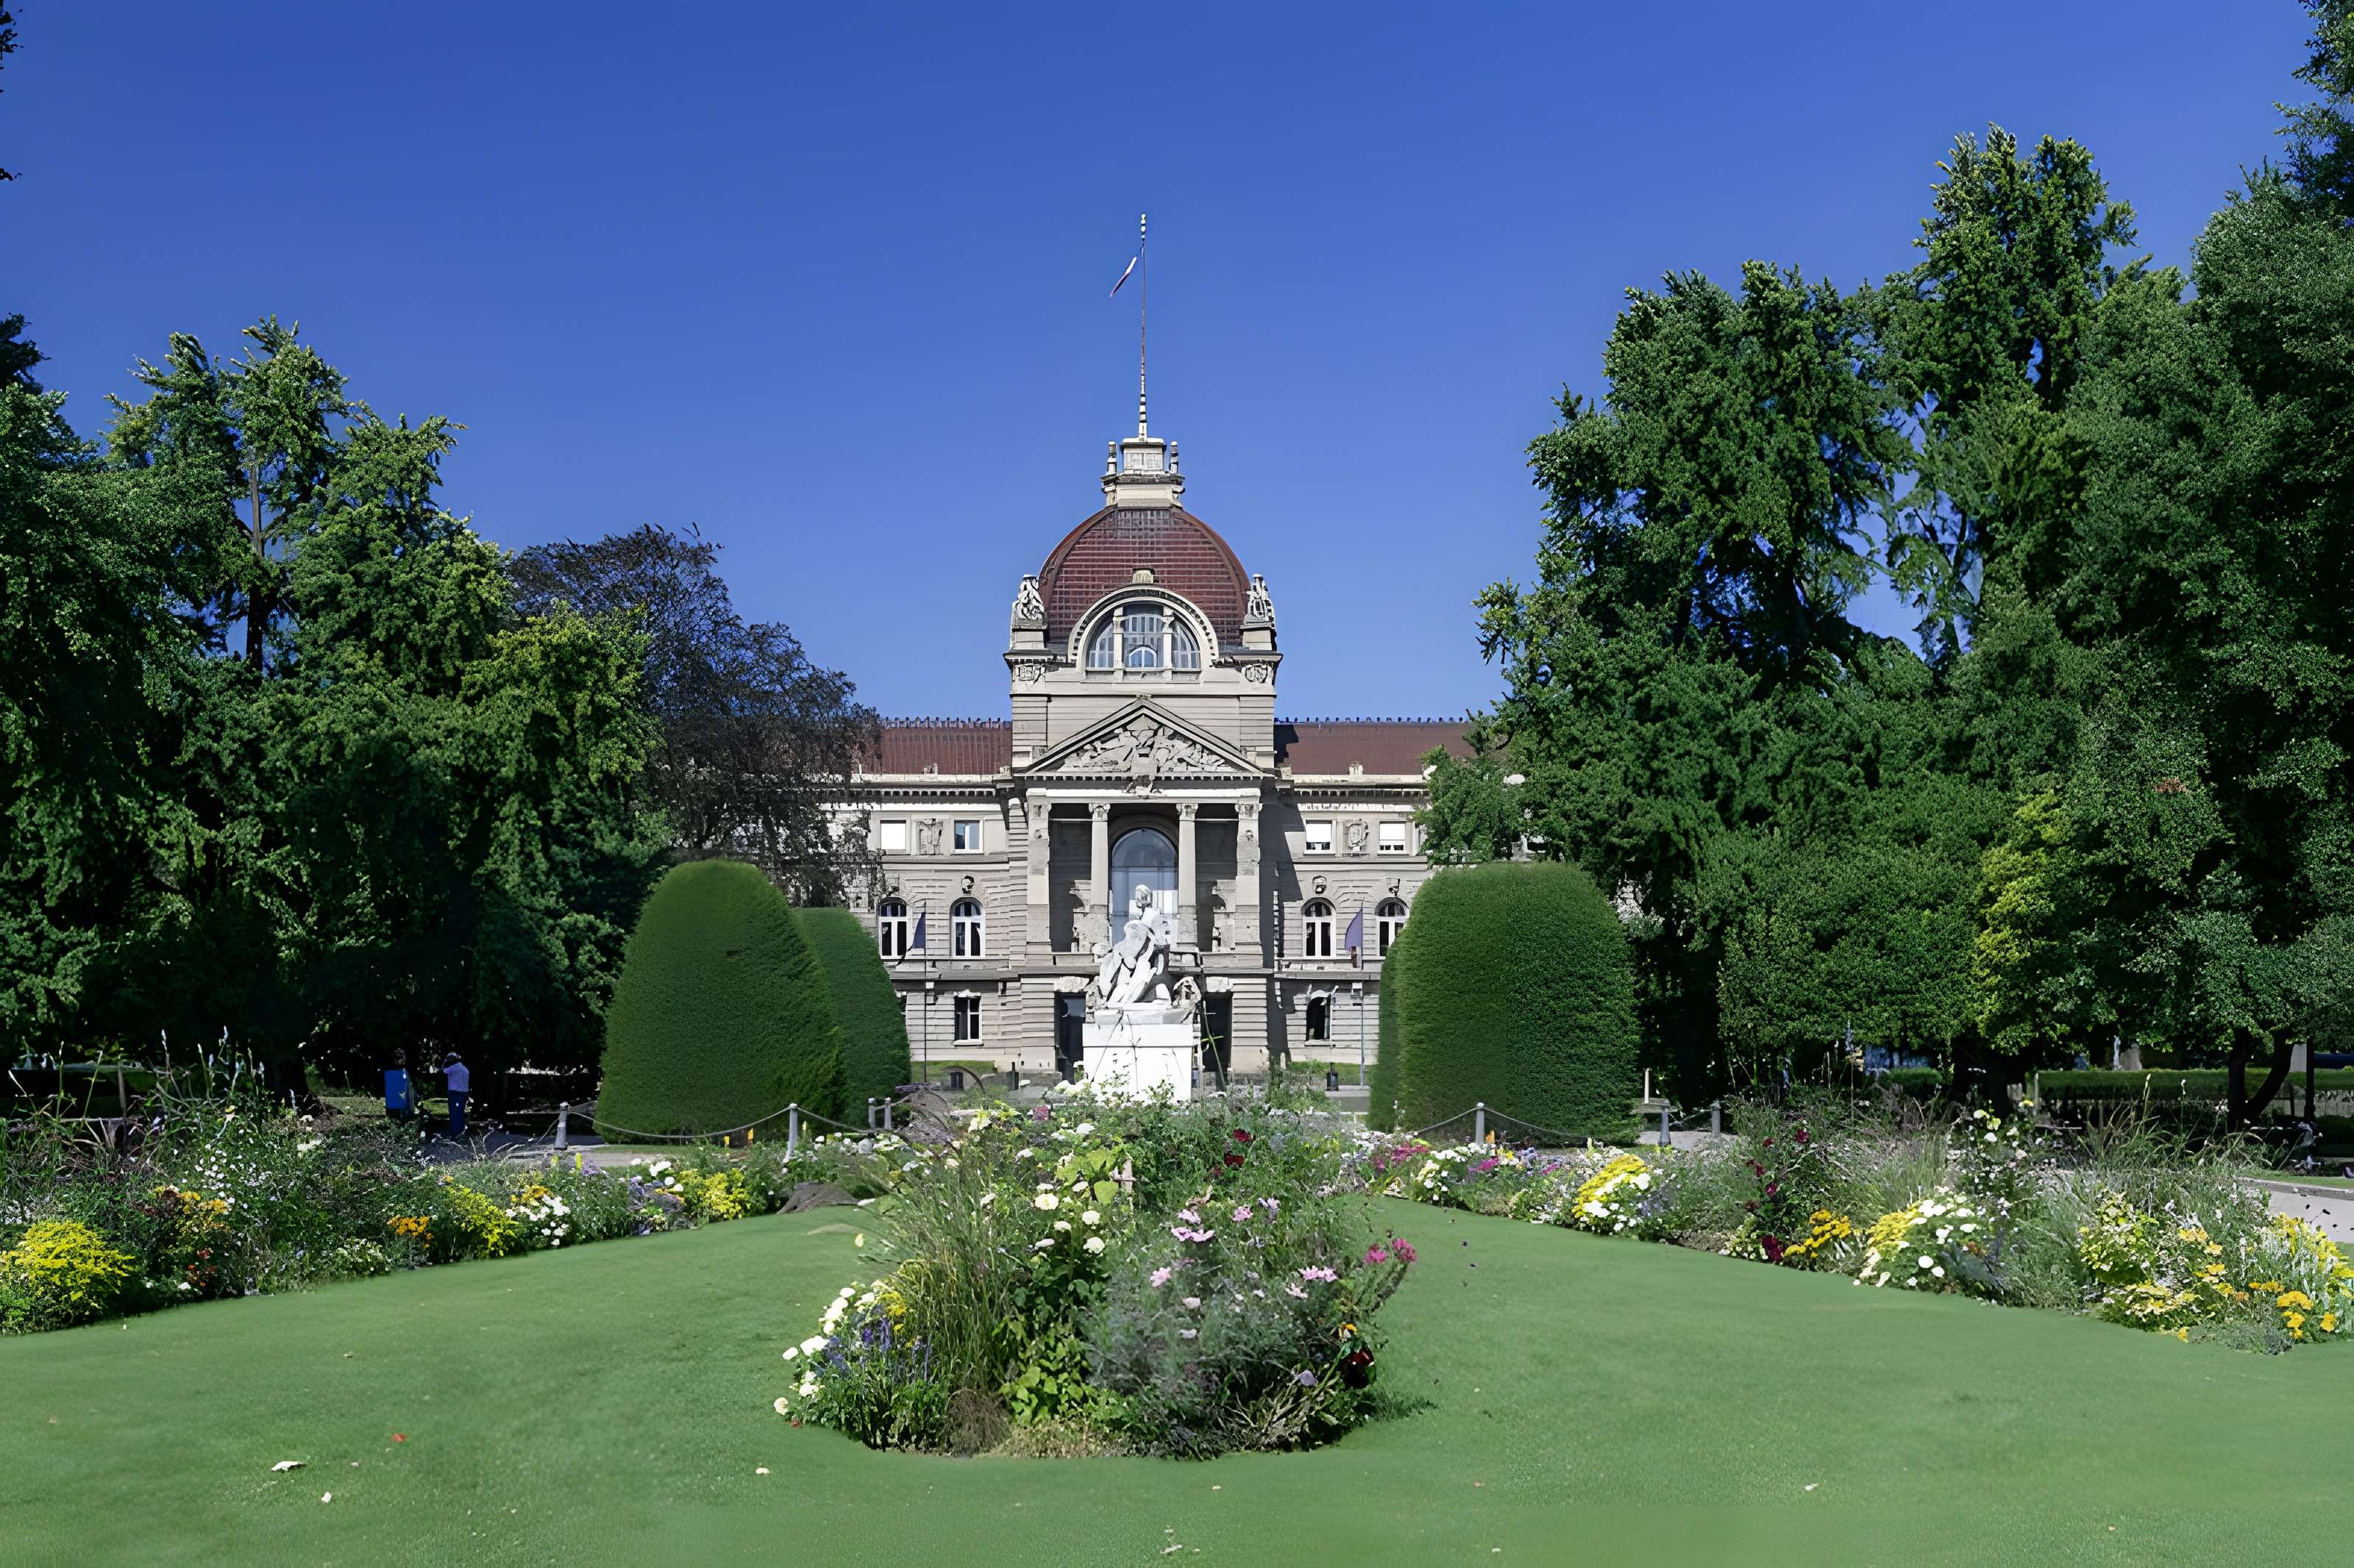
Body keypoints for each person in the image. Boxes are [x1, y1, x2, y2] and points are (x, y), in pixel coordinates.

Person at [443, 1051, 470, 1139]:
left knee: (454, 1113)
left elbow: (444, 1071)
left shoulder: (452, 1068)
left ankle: (454, 1134)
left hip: (454, 1094)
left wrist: (445, 1062)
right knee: (460, 1113)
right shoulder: (465, 1069)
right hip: (463, 1094)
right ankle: (460, 1132)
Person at [383, 1050, 413, 1124]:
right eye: (396, 1059)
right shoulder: (395, 1071)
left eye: (399, 1059)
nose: (397, 1061)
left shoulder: (403, 1071)